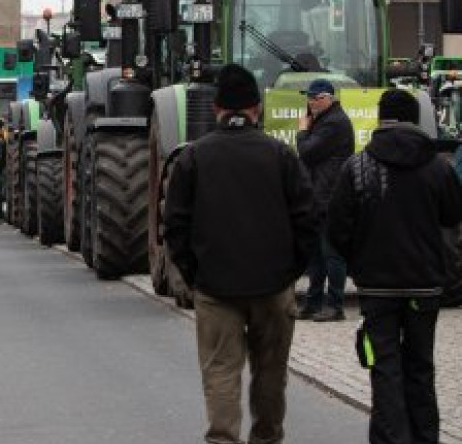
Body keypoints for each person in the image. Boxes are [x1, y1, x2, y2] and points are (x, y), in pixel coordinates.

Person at [164, 63, 313, 444]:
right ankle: (266, 437)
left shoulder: (192, 158)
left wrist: (195, 275)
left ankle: (223, 439)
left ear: (216, 109)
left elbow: (175, 226)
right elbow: (307, 221)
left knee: (220, 373)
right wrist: (291, 270)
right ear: (256, 109)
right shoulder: (281, 155)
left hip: (215, 287)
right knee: (270, 374)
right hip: (273, 286)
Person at [328, 89, 462, 444]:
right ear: (416, 120)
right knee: (421, 367)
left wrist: (359, 262)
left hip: (376, 289)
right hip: (425, 288)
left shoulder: (357, 166)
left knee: (384, 368)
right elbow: (453, 216)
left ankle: (391, 438)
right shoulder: (438, 167)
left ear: (379, 118)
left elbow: (337, 228)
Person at [295, 78, 354, 322]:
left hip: (329, 196)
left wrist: (301, 130)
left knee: (331, 253)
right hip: (319, 195)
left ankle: (335, 305)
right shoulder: (325, 121)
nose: (310, 102)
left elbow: (307, 152)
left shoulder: (334, 123)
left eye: (315, 98)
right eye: (309, 97)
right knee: (316, 254)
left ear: (329, 98)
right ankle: (313, 303)